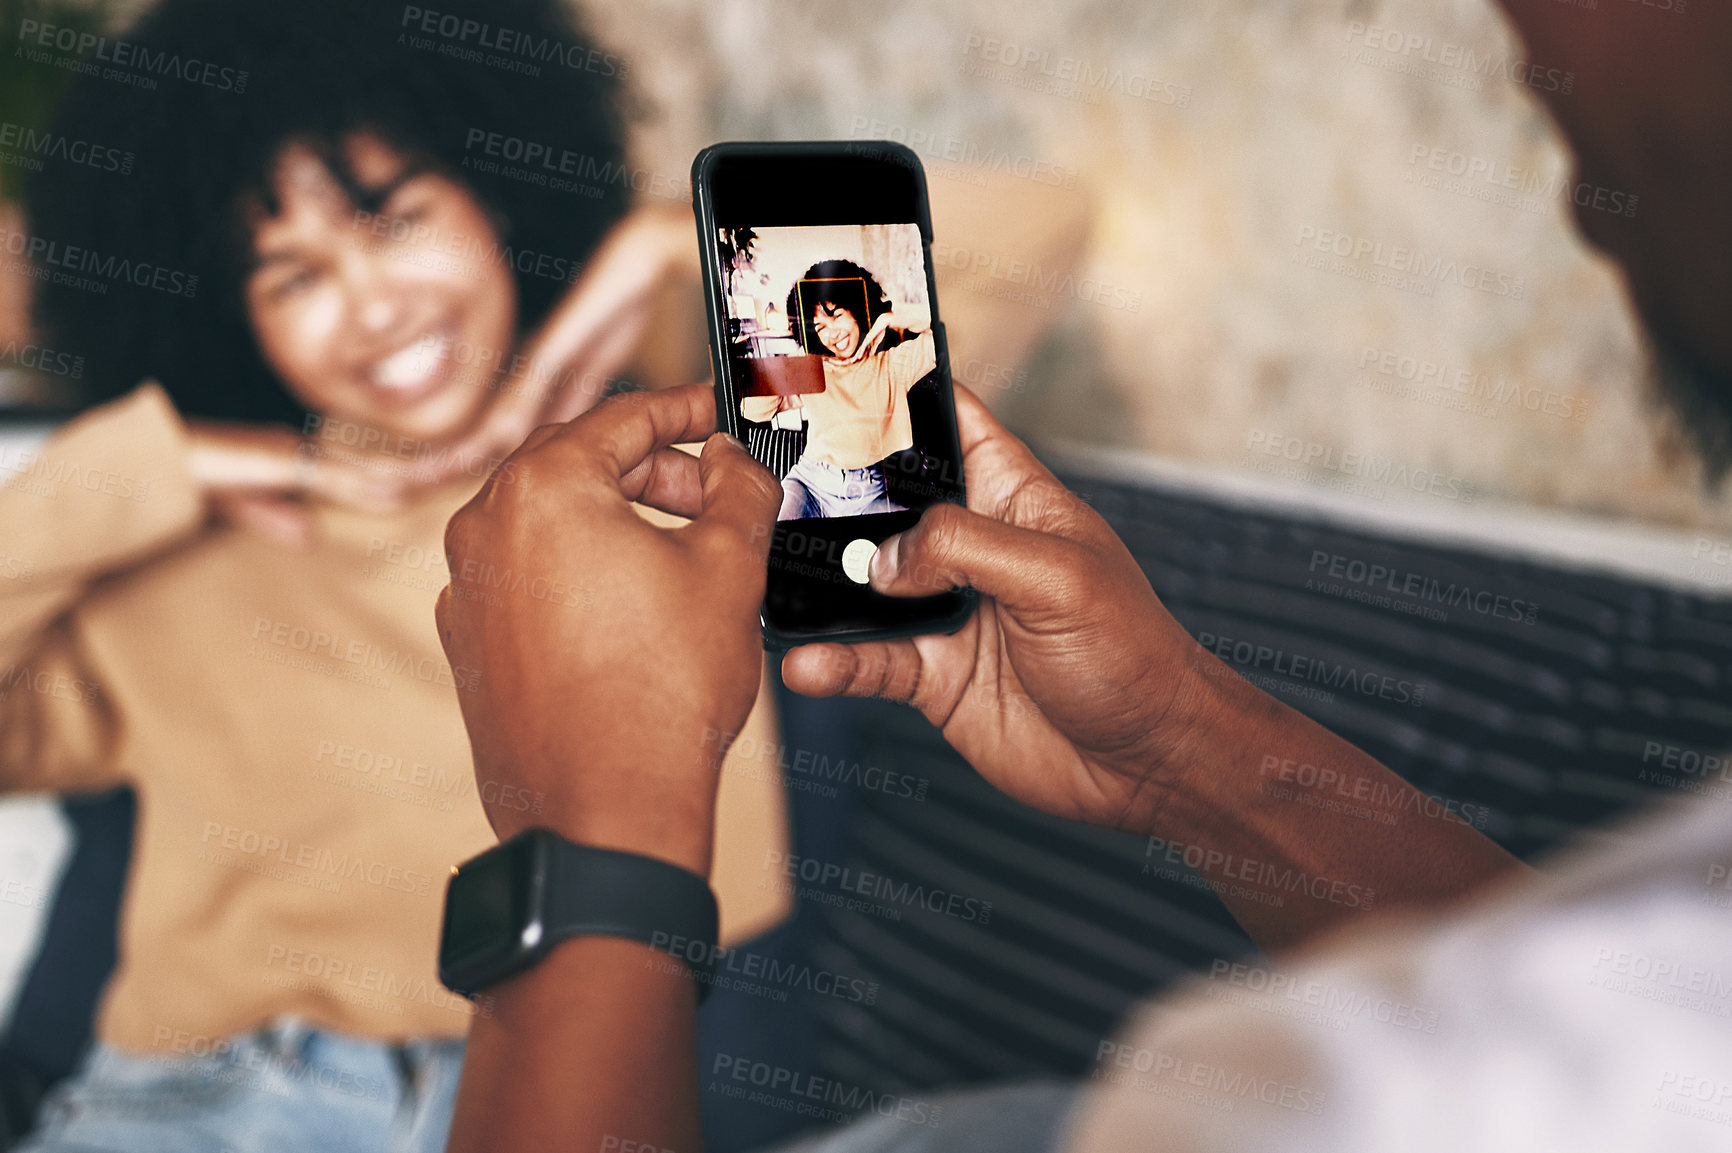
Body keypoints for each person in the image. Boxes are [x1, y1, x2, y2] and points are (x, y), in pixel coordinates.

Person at [423, 0, 1732, 1149]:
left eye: (393, 220)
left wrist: (592, 827)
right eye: (289, 270)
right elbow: (1568, 977)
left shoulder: (1365, 1095)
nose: (1574, 200)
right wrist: (1178, 737)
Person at [1, 1, 784, 1150]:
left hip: (574, 1076)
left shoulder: (676, 444)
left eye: (396, 219)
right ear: (233, 320)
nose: (372, 306)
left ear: (499, 189)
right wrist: (144, 458)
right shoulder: (173, 551)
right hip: (206, 1099)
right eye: (292, 278)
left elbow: (1031, 238)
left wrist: (682, 240)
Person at [741, 259, 933, 520]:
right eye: (819, 328)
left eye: (837, 316)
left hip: (871, 492)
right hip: (810, 485)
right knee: (775, 542)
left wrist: (888, 317)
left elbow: (944, 332)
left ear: (857, 307)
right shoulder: (814, 369)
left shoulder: (893, 365)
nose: (833, 334)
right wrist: (786, 349)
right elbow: (755, 413)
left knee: (914, 537)